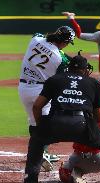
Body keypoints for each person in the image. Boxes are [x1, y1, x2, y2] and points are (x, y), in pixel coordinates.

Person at [21, 52, 100, 183]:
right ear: (85, 70)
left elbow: (37, 106)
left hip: (55, 123)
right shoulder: (94, 84)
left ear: (69, 67)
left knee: (36, 140)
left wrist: (41, 126)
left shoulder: (54, 79)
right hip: (82, 125)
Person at [18, 26, 75, 171]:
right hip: (40, 92)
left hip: (23, 89)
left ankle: (41, 152)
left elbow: (39, 35)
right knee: (46, 124)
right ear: (65, 42)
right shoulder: (59, 59)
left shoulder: (36, 39)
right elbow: (65, 68)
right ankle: (40, 153)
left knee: (34, 122)